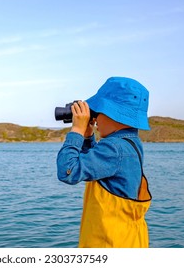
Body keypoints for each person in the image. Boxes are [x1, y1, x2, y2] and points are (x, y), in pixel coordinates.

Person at [56, 76, 152, 248]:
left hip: (109, 243)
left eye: (98, 112)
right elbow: (97, 168)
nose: (95, 118)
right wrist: (87, 137)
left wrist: (77, 130)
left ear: (114, 114)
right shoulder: (128, 144)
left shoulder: (114, 148)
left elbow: (67, 172)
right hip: (128, 239)